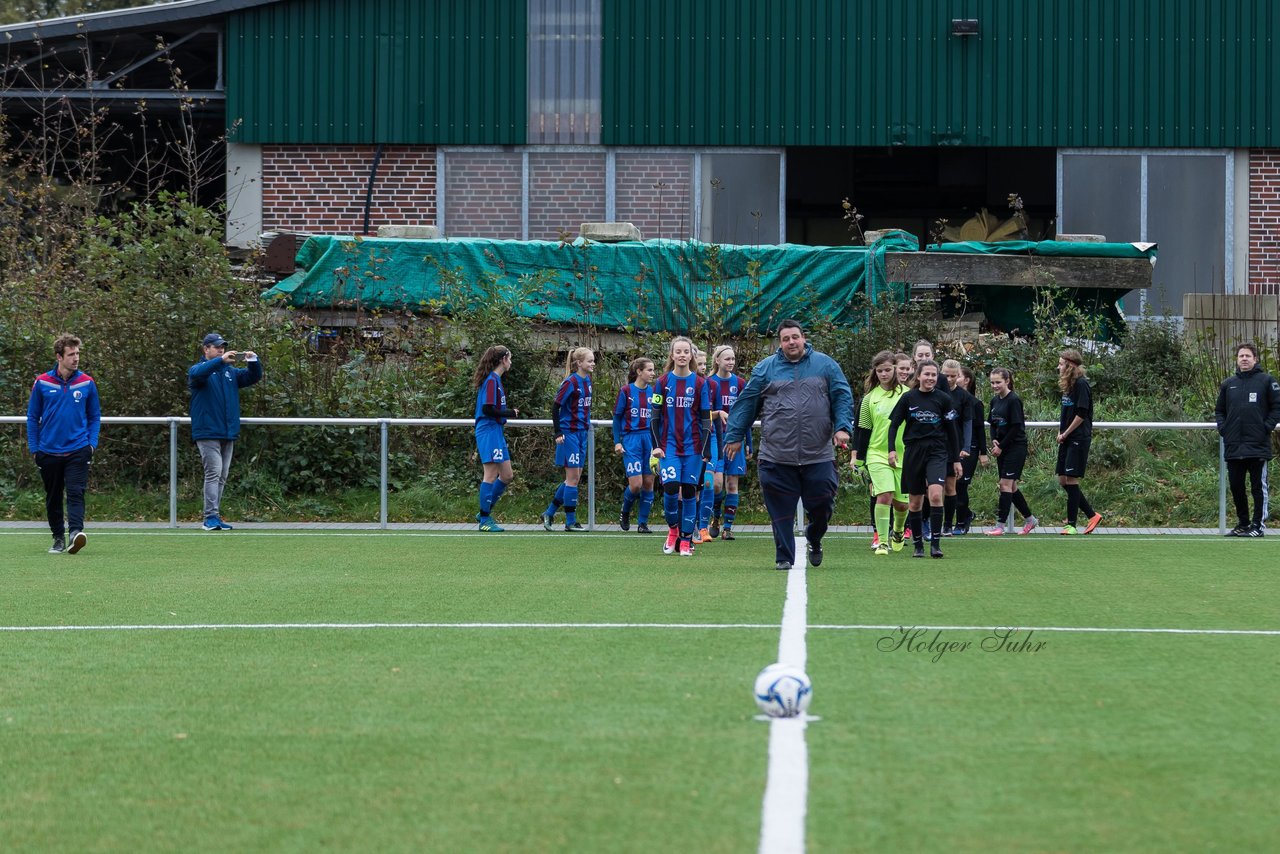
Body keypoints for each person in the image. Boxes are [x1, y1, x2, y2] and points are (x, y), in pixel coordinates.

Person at [723, 320, 854, 571]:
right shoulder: (765, 369)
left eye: (795, 337)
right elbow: (747, 402)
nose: (791, 342)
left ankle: (814, 538)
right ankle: (783, 556)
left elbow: (842, 396)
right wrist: (735, 434)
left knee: (823, 505)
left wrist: (842, 427)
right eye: (786, 339)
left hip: (818, 454)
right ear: (780, 343)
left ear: (804, 338)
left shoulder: (825, 365)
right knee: (780, 511)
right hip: (776, 455)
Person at [27, 333, 100, 555]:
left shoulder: (87, 382)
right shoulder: (42, 382)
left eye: (78, 353)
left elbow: (94, 416)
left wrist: (91, 444)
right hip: (48, 451)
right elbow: (32, 417)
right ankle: (58, 537)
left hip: (78, 449)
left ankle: (76, 533)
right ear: (59, 356)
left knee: (76, 492)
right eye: (71, 354)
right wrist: (35, 449)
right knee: (54, 496)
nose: (76, 358)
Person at [887, 360, 962, 558]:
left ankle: (935, 545)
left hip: (937, 451)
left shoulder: (944, 399)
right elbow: (893, 425)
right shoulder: (908, 398)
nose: (930, 378)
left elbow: (952, 431)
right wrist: (891, 450)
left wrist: (956, 459)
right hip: (913, 452)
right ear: (918, 376)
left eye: (933, 375)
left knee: (936, 495)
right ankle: (918, 545)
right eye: (926, 374)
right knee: (915, 502)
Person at [188, 332, 262, 531]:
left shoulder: (229, 372)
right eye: (216, 346)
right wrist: (220, 361)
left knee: (222, 475)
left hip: (227, 431)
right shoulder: (200, 370)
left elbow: (253, 377)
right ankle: (209, 517)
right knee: (213, 473)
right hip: (208, 431)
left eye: (223, 346)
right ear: (206, 349)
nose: (221, 349)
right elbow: (197, 374)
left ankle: (215, 515)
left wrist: (253, 361)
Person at [650, 337, 713, 557]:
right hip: (668, 448)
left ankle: (686, 540)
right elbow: (654, 418)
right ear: (672, 355)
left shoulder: (700, 383)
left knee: (688, 492)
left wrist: (706, 449)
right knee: (669, 489)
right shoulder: (662, 382)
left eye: (686, 351)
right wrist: (656, 446)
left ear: (691, 356)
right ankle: (673, 531)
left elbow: (706, 419)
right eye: (678, 351)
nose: (683, 355)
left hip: (693, 448)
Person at [1215, 343, 1280, 537]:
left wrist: (1265, 427)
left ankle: (1258, 526)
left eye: (1248, 356)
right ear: (1237, 359)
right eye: (1241, 356)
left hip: (1258, 445)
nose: (1244, 359)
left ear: (1255, 359)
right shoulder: (1228, 384)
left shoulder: (1267, 381)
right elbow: (1220, 410)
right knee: (1236, 486)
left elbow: (1277, 407)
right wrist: (1224, 428)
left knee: (1258, 488)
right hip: (1234, 444)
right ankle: (1243, 524)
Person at [850, 350, 909, 557]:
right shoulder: (869, 398)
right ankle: (882, 542)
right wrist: (858, 457)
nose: (884, 374)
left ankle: (899, 530)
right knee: (884, 495)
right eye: (880, 370)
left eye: (887, 370)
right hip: (877, 454)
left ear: (895, 369)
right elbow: (862, 429)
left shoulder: (907, 394)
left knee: (902, 504)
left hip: (903, 455)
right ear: (875, 372)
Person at [542, 347, 595, 531]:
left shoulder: (587, 380)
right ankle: (570, 521)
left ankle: (549, 512)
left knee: (574, 478)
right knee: (572, 479)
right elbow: (555, 407)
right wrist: (558, 432)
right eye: (589, 360)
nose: (593, 363)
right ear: (579, 363)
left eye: (593, 360)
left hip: (582, 433)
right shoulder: (570, 382)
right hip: (569, 434)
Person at [985, 367, 1039, 536]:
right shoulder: (995, 401)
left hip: (1015, 447)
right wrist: (994, 439)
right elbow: (993, 424)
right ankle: (1030, 519)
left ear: (1007, 381)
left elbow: (1016, 427)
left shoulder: (1013, 400)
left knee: (1004, 484)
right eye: (992, 382)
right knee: (1011, 486)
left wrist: (1001, 446)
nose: (995, 385)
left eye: (998, 382)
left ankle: (1000, 525)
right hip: (1002, 447)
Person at [1056, 348, 1103, 535]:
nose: (1058, 367)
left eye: (1060, 364)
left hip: (1077, 438)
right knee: (1062, 479)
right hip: (1066, 437)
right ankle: (1092, 515)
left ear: (1070, 365)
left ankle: (1072, 524)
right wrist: (1062, 433)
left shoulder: (1082, 384)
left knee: (1071, 478)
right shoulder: (1069, 385)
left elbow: (1081, 414)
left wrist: (1066, 433)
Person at [473, 345, 519, 532]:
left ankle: (485, 511)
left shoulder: (495, 380)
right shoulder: (492, 380)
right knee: (490, 474)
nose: (511, 362)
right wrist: (510, 412)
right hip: (488, 430)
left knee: (507, 475)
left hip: (495, 430)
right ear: (503, 359)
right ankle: (484, 519)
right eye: (510, 358)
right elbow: (487, 409)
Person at [707, 345, 750, 540]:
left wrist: (748, 441)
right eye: (727, 359)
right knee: (716, 485)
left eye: (733, 358)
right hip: (715, 438)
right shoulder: (708, 383)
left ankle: (728, 527)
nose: (731, 362)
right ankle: (715, 516)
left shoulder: (740, 383)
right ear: (717, 360)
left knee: (732, 484)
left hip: (735, 440)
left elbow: (745, 414)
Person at [613, 356, 657, 533]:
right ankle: (625, 510)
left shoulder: (654, 393)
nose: (653, 373)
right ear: (639, 372)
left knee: (648, 482)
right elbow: (617, 418)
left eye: (653, 370)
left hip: (650, 439)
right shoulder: (626, 391)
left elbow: (659, 418)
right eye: (650, 370)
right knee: (636, 484)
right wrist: (617, 442)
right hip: (631, 440)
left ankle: (643, 523)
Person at [940, 359, 977, 536]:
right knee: (930, 488)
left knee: (950, 486)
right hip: (935, 445)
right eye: (946, 375)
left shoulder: (964, 397)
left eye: (953, 376)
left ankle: (947, 524)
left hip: (953, 447)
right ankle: (929, 522)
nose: (949, 379)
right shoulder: (934, 392)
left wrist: (966, 446)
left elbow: (968, 423)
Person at [951, 365, 988, 535]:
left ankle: (961, 521)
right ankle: (965, 515)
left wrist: (982, 452)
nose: (952, 378)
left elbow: (979, 428)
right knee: (950, 485)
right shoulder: (949, 399)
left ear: (966, 380)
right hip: (952, 448)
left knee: (961, 485)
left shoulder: (975, 403)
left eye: (956, 375)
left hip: (969, 449)